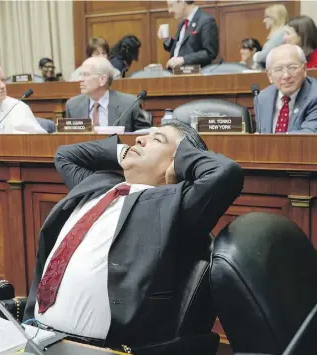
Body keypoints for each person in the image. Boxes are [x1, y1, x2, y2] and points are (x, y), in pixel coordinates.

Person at [24, 118, 243, 354]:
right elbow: (66, 155)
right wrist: (123, 151)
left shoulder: (172, 206)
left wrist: (181, 159)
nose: (139, 139)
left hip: (95, 348)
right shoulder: (98, 185)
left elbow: (226, 172)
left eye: (156, 139)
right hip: (34, 333)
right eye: (144, 135)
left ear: (176, 162)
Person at [65, 56, 151, 132]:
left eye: (86, 74)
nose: (80, 79)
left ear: (102, 79)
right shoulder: (73, 105)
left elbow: (145, 136)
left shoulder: (129, 104)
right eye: (80, 75)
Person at [255, 44, 317, 134]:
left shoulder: (314, 95)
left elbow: (310, 134)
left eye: (292, 68)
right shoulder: (262, 98)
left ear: (304, 69)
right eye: (278, 69)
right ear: (269, 75)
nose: (286, 76)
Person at [158, 0, 218, 69]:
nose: (169, 10)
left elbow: (209, 53)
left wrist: (183, 60)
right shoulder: (183, 23)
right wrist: (167, 40)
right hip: (176, 74)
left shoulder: (206, 21)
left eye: (171, 6)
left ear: (182, 2)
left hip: (193, 76)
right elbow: (181, 50)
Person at [253, 4, 288, 69]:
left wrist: (255, 56)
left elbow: (266, 56)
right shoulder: (279, 33)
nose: (264, 21)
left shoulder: (281, 34)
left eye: (266, 17)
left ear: (275, 17)